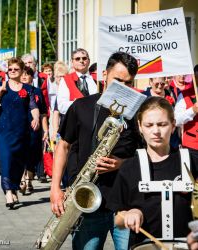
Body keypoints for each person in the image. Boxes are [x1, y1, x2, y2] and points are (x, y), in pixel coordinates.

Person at [50, 52, 140, 250]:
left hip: (125, 204)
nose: (123, 88)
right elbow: (63, 145)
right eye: (117, 80)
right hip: (87, 203)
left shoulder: (137, 113)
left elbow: (146, 156)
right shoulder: (81, 106)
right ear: (104, 74)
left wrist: (121, 164)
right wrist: (55, 188)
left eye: (128, 83)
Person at [106, 96, 196, 247]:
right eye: (149, 125)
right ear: (140, 127)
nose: (156, 131)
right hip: (143, 245)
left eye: (162, 124)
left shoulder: (192, 161)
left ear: (173, 125)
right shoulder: (129, 167)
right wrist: (129, 214)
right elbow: (117, 219)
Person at [0, 57, 40, 209]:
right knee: (6, 159)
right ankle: (8, 192)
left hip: (22, 131)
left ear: (22, 71)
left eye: (16, 69)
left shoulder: (27, 89)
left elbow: (33, 106)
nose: (12, 71)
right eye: (10, 69)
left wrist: (35, 117)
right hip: (4, 131)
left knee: (18, 162)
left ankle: (14, 186)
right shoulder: (2, 86)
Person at [20, 66, 48, 193]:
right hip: (20, 127)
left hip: (34, 129)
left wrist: (46, 130)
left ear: (32, 77)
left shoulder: (37, 91)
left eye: (27, 74)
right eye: (23, 74)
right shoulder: (16, 91)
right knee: (21, 154)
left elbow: (43, 113)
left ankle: (29, 179)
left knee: (32, 155)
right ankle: (22, 178)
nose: (24, 76)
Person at [57, 48, 97, 116]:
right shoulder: (66, 80)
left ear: (89, 61)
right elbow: (61, 106)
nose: (81, 61)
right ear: (72, 62)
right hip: (76, 120)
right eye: (77, 59)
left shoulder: (98, 78)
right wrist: (78, 103)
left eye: (84, 58)